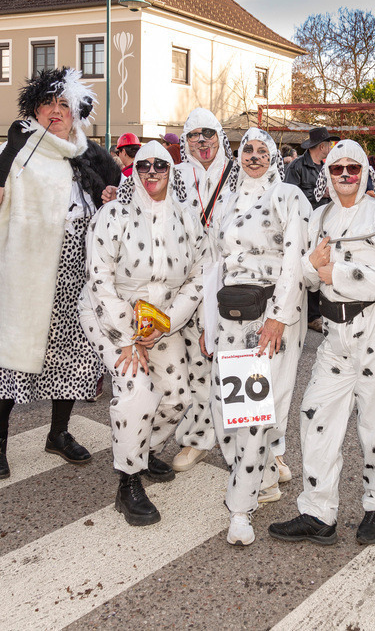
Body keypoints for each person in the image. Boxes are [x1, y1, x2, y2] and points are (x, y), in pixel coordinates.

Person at [268, 139, 375, 547]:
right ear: (328, 174)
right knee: (315, 413)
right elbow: (307, 275)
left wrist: (341, 273)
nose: (346, 175)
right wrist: (313, 270)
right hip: (335, 335)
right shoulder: (318, 219)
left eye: (354, 167)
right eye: (337, 168)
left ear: (364, 172)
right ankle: (318, 512)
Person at [0, 67, 118, 480]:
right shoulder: (17, 150)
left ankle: (58, 433)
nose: (56, 111)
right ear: (33, 110)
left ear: (77, 114)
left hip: (78, 279)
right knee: (13, 360)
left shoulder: (88, 156)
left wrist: (106, 199)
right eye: (47, 104)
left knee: (72, 360)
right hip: (28, 278)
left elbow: (107, 208)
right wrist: (13, 151)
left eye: (64, 105)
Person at [79, 141, 205, 525]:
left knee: (177, 397)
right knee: (136, 391)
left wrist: (166, 322)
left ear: (171, 171)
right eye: (144, 165)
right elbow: (99, 278)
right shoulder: (112, 214)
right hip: (109, 317)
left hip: (161, 321)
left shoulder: (187, 217)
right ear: (134, 170)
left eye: (160, 166)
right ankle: (128, 481)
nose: (151, 172)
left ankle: (142, 449)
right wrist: (128, 337)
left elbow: (199, 276)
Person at [202, 128, 311, 546]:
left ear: (273, 157)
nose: (253, 155)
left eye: (262, 150)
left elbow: (295, 261)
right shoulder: (226, 201)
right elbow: (215, 263)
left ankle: (241, 508)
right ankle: (262, 475)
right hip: (230, 315)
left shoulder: (287, 197)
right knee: (224, 405)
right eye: (247, 148)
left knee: (251, 409)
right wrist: (207, 325)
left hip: (270, 315)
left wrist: (279, 318)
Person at [169, 108, 236, 474]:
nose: (202, 141)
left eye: (208, 133)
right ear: (185, 141)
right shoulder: (175, 176)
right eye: (194, 135)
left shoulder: (240, 172)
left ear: (220, 136)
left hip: (235, 283)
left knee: (242, 361)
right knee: (197, 363)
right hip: (192, 281)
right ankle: (197, 438)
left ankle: (262, 449)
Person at [286, 127, 339, 333]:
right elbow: (290, 197)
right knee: (306, 266)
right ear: (322, 146)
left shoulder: (325, 167)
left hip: (323, 225)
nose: (330, 148)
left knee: (320, 267)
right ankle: (311, 315)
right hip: (303, 225)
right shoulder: (297, 166)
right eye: (328, 144)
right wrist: (319, 195)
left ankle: (317, 312)